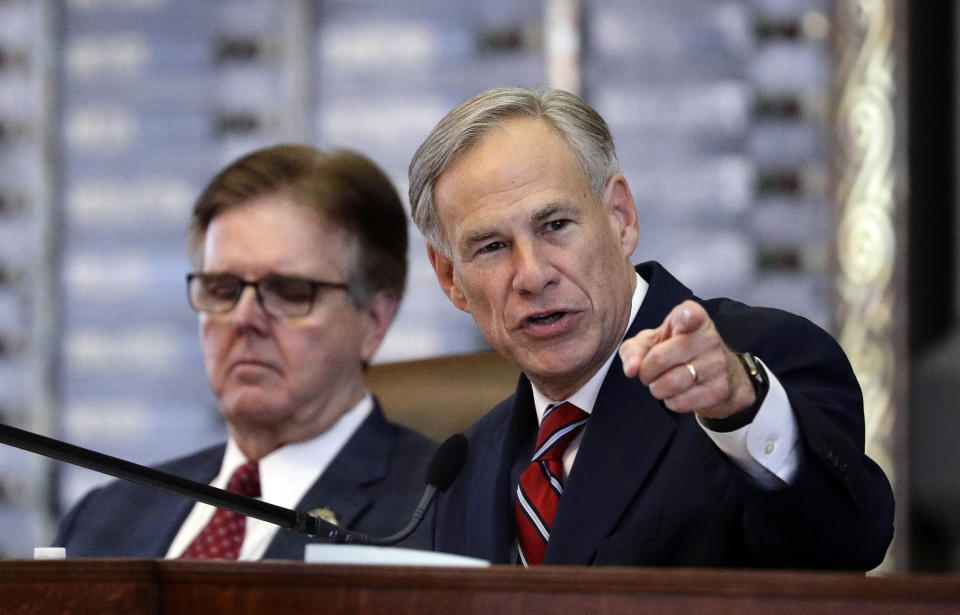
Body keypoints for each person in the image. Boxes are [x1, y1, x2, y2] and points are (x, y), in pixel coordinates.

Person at [408, 87, 894, 568]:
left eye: (555, 225)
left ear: (621, 217)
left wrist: (741, 411)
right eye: (492, 247)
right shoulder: (462, 470)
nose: (533, 275)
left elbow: (844, 546)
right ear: (451, 277)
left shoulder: (762, 368)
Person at [55, 144, 437, 559]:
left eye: (289, 292)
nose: (243, 319)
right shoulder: (103, 519)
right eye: (222, 289)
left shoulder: (438, 513)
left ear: (375, 320)